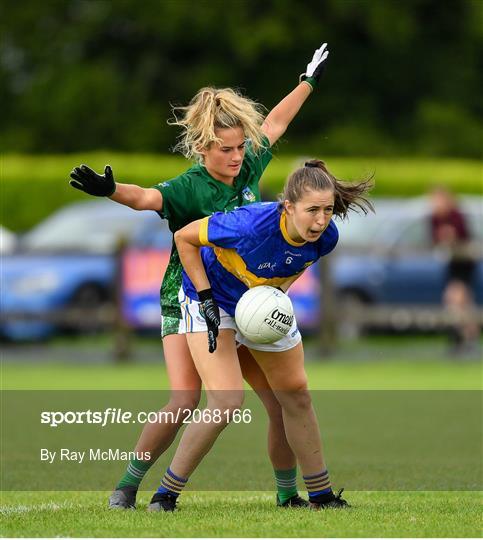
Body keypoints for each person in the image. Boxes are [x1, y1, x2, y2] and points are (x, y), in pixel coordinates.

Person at [68, 43, 331, 510]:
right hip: (187, 294)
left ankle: (289, 495)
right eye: (225, 150)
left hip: (244, 297)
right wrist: (111, 191)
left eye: (238, 148)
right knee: (187, 398)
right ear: (202, 147)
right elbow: (147, 198)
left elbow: (275, 124)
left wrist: (307, 81)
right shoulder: (190, 186)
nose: (236, 157)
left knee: (279, 403)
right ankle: (129, 487)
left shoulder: (248, 162)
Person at [157, 159, 373, 512]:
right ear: (288, 206)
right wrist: (208, 298)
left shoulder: (325, 238)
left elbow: (290, 268)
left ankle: (317, 496)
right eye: (312, 210)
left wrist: (272, 300)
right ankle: (165, 495)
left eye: (328, 210)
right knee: (227, 402)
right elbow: (184, 238)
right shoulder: (249, 225)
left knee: (294, 396)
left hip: (258, 302)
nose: (321, 220)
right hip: (208, 298)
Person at [429, 187, 479, 354]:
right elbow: (433, 239)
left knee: (456, 300)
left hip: (464, 263)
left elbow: (464, 237)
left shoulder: (456, 216)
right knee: (460, 303)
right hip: (451, 264)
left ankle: (463, 339)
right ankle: (467, 339)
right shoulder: (435, 218)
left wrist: (452, 236)